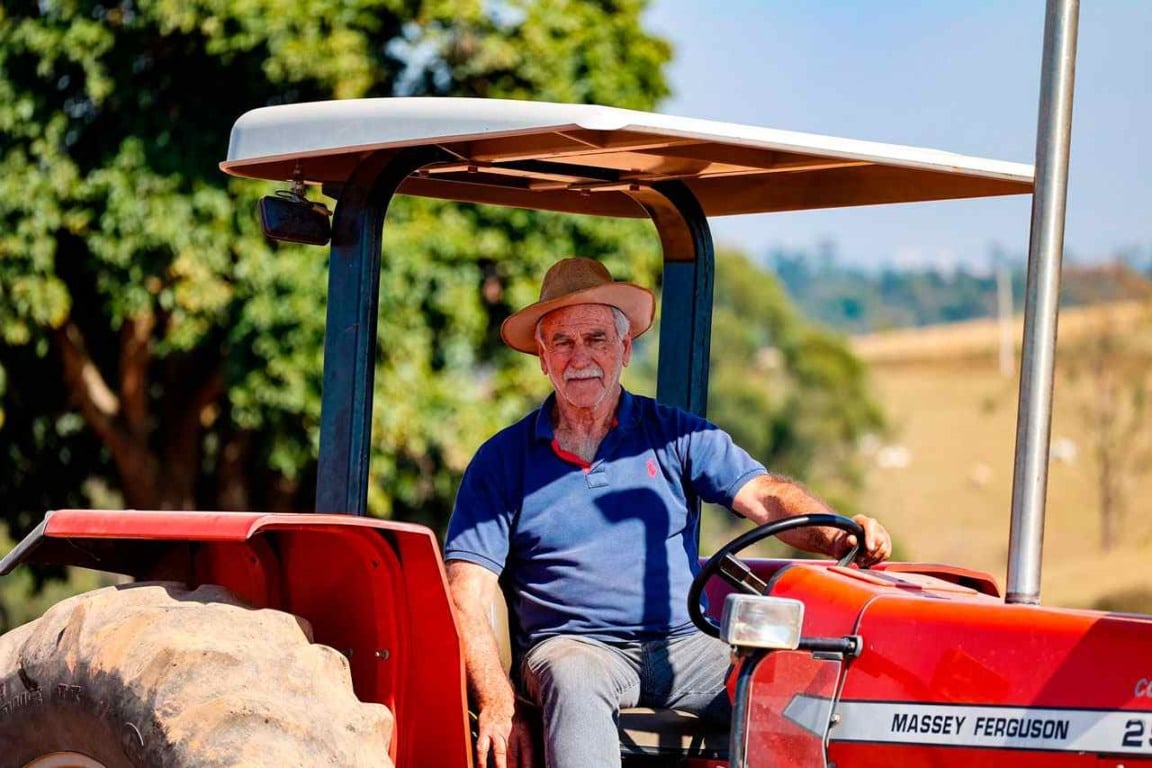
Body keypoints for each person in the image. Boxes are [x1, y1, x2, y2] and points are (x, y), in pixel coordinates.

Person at [444, 257, 892, 768]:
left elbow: (765, 495)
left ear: (624, 349)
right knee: (573, 675)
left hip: (685, 645)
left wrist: (838, 536)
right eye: (562, 343)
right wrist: (499, 703)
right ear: (543, 358)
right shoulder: (502, 460)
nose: (579, 357)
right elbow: (468, 590)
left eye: (595, 339)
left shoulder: (676, 435)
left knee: (788, 685)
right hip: (575, 646)